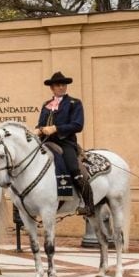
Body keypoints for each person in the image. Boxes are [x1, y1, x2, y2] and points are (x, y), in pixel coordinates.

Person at [34, 71, 92, 216]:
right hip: (45, 142)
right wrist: (38, 130)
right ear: (52, 88)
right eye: (58, 85)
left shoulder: (74, 103)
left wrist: (56, 128)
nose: (61, 87)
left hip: (65, 142)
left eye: (63, 85)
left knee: (74, 169)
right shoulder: (46, 104)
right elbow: (41, 123)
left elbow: (78, 125)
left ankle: (88, 204)